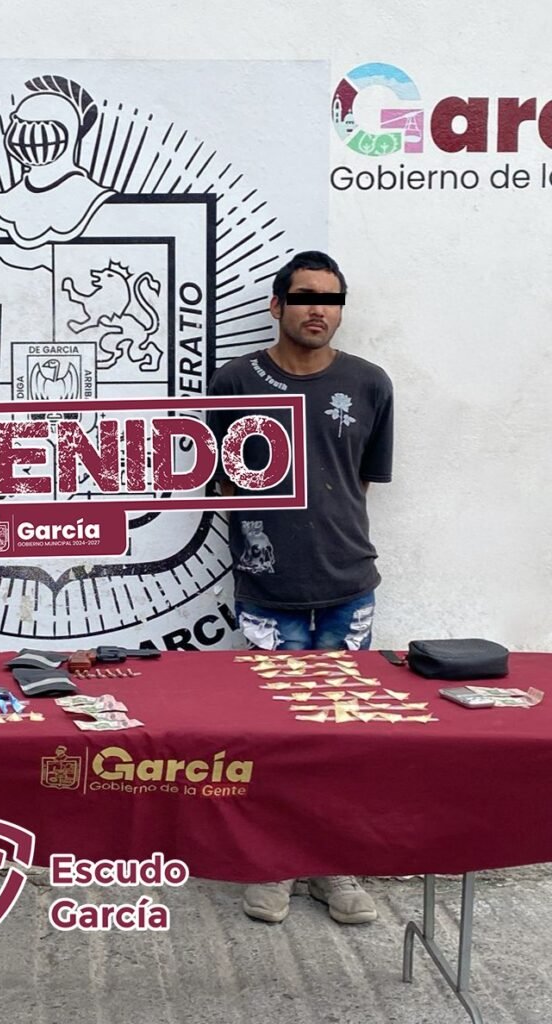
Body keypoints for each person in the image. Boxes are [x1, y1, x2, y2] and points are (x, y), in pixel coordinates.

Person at [209, 250, 394, 925]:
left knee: (340, 735)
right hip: (267, 590)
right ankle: (276, 863)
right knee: (275, 734)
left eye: (332, 299)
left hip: (349, 586)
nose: (320, 309)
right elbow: (218, 481)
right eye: (306, 296)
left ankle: (332, 865)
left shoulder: (369, 383)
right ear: (276, 305)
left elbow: (360, 481)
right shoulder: (234, 383)